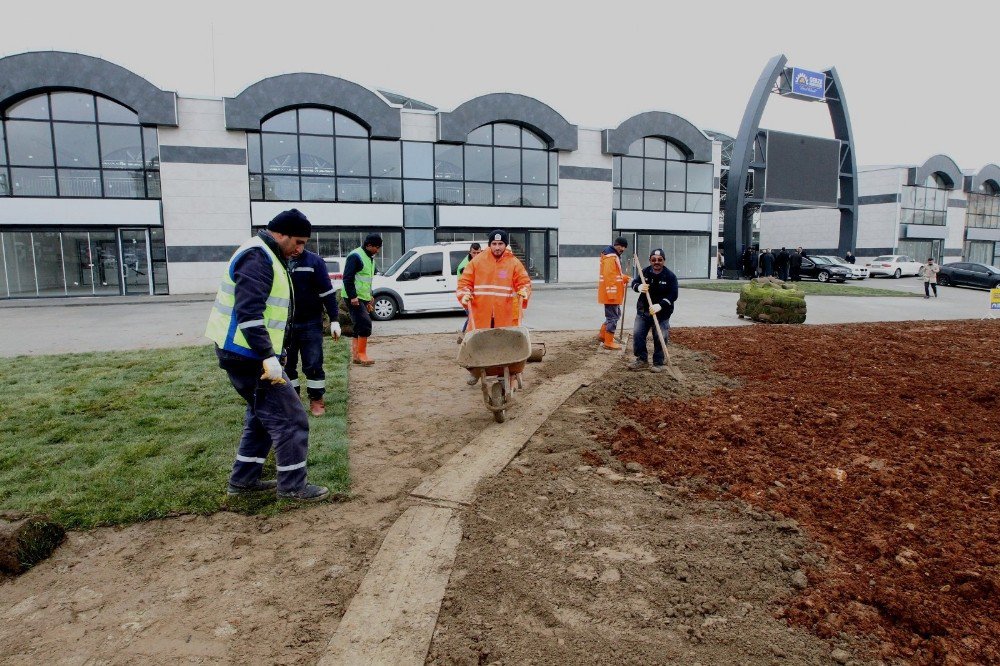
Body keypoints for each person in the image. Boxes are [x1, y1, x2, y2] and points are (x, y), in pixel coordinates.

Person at [205, 209, 329, 502]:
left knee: (261, 418)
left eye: (304, 244)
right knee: (291, 418)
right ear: (280, 234)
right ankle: (293, 487)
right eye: (297, 242)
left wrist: (278, 352)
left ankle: (243, 481)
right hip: (248, 356)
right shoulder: (258, 257)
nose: (300, 250)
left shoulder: (267, 254)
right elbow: (249, 314)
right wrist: (267, 356)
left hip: (246, 354)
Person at [456, 229, 532, 385]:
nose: (497, 247)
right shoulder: (477, 262)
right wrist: (464, 294)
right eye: (494, 244)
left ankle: (507, 375)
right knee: (477, 344)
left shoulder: (513, 263)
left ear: (506, 245)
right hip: (481, 313)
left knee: (505, 345)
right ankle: (476, 371)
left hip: (504, 313)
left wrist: (524, 291)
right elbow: (464, 283)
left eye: (501, 244)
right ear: (489, 245)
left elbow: (524, 282)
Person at [285, 248, 341, 417]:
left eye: (301, 243)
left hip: (310, 322)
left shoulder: (314, 261)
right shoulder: (278, 260)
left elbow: (327, 291)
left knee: (314, 363)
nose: (296, 248)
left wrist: (335, 319)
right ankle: (292, 400)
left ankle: (316, 399)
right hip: (284, 324)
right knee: (287, 364)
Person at [629, 248, 679, 373]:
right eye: (653, 260)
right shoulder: (644, 272)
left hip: (662, 313)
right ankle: (641, 360)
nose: (656, 262)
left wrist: (660, 305)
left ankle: (658, 362)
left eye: (660, 260)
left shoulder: (670, 276)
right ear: (650, 261)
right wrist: (638, 287)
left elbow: (674, 295)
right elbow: (634, 283)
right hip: (643, 312)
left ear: (664, 261)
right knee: (638, 335)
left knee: (660, 336)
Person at [341, 233, 382, 366]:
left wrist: (370, 296)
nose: (378, 250)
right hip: (353, 297)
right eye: (377, 247)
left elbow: (366, 280)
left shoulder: (370, 258)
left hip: (362, 297)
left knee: (359, 324)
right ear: (368, 245)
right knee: (365, 324)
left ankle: (356, 356)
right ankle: (362, 355)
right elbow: (347, 278)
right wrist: (353, 296)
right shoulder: (355, 256)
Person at [597, 236, 630, 351]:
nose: (623, 249)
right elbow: (609, 277)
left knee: (614, 315)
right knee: (613, 317)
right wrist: (612, 294)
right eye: (621, 246)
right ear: (616, 245)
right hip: (611, 294)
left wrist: (623, 278)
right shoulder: (611, 257)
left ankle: (603, 335)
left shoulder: (612, 256)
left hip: (611, 293)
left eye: (624, 247)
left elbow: (614, 275)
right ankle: (608, 341)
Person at [455, 242, 483, 344]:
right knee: (472, 316)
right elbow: (465, 283)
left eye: (478, 253)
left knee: (473, 316)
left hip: (477, 295)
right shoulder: (465, 266)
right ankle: (464, 336)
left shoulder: (481, 261)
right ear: (469, 252)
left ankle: (464, 335)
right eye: (473, 253)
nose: (476, 255)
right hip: (467, 295)